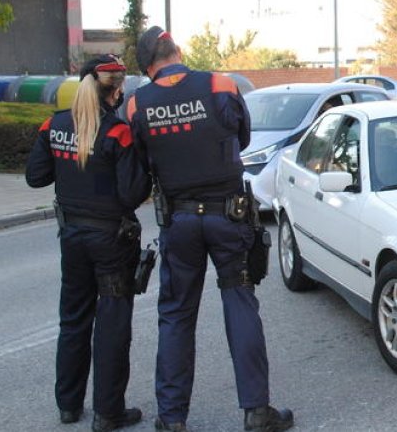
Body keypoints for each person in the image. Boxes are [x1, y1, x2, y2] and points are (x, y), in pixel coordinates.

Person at [125, 27, 293, 432]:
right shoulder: (221, 84)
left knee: (176, 315)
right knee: (240, 303)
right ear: (177, 51)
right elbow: (243, 135)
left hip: (179, 221)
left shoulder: (137, 103)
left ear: (148, 67)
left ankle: (171, 418)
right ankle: (256, 411)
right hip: (228, 216)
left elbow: (139, 161)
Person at [25, 54, 149, 432]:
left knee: (74, 318)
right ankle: (108, 412)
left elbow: (36, 177)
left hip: (72, 238)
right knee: (111, 324)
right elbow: (131, 195)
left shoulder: (54, 124)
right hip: (111, 240)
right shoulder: (117, 132)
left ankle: (68, 405)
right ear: (116, 90)